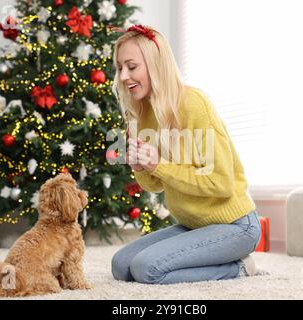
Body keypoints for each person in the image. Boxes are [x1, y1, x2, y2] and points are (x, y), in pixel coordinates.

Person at [110, 25, 261, 284]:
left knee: (147, 269)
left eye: (132, 66)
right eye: (119, 67)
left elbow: (221, 184)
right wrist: (141, 167)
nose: (124, 76)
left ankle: (239, 268)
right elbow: (155, 185)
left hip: (236, 226)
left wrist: (159, 165)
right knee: (121, 265)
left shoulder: (194, 104)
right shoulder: (143, 111)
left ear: (156, 65)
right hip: (194, 224)